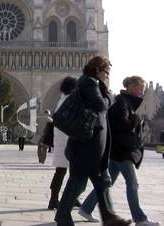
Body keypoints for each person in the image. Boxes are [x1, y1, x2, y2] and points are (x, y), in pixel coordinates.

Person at [54, 56, 132, 226]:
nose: (107, 75)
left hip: (91, 145)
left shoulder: (91, 83)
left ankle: (109, 217)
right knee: (78, 182)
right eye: (106, 72)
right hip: (86, 145)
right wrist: (111, 96)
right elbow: (101, 105)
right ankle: (62, 216)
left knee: (101, 180)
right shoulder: (88, 83)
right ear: (98, 69)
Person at [78, 76, 160, 226]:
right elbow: (121, 124)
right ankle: (140, 218)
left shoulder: (122, 101)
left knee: (106, 183)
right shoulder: (122, 102)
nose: (142, 91)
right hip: (122, 151)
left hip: (116, 150)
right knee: (132, 183)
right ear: (132, 87)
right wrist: (135, 120)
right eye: (140, 88)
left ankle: (86, 208)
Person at [47, 76, 79, 210]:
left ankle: (62, 198)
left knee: (62, 171)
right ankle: (57, 199)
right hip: (68, 139)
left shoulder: (62, 99)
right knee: (69, 172)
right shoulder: (70, 101)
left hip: (62, 139)